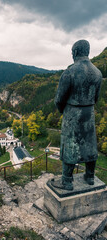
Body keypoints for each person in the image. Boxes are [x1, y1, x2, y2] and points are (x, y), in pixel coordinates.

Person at [54, 40, 102, 191]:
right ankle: (90, 176)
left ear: (74, 53)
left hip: (72, 113)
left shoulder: (69, 72)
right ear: (87, 52)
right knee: (90, 145)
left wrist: (64, 111)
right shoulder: (98, 73)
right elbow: (96, 98)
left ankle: (67, 181)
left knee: (70, 146)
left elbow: (59, 99)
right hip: (89, 113)